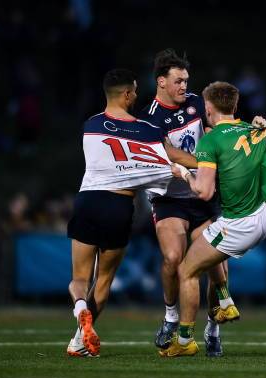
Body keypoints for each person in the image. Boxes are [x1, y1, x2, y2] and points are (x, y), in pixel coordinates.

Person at [65, 68, 181, 357]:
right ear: (128, 94)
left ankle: (81, 312)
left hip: (88, 201)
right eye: (135, 91)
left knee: (80, 278)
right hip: (119, 207)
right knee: (103, 280)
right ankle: (80, 340)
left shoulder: (90, 125)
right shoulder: (148, 131)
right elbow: (165, 159)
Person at [139, 49, 242, 357]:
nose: (184, 86)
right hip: (169, 199)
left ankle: (213, 329)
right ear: (161, 82)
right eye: (178, 81)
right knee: (172, 258)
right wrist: (206, 160)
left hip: (202, 197)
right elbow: (170, 153)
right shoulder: (148, 118)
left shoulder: (198, 103)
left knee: (214, 263)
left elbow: (216, 132)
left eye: (186, 80)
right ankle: (171, 318)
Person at [159, 81, 266, 357]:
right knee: (206, 248)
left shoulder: (210, 141)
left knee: (187, 271)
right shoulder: (255, 129)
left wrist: (184, 174)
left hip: (238, 224)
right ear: (234, 107)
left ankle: (184, 341)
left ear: (207, 108)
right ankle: (224, 301)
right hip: (263, 215)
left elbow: (204, 191)